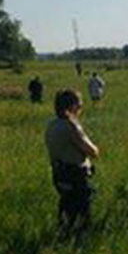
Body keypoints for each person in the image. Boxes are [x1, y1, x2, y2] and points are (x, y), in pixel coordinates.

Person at [45, 88, 100, 234]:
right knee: (82, 215)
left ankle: (63, 236)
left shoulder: (51, 124)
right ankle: (77, 244)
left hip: (58, 173)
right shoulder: (71, 126)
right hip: (75, 175)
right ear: (72, 106)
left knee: (66, 208)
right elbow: (92, 151)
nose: (81, 108)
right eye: (80, 105)